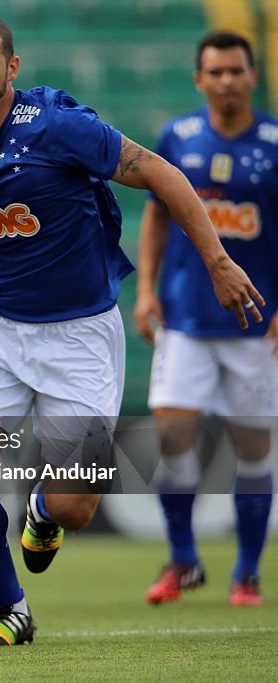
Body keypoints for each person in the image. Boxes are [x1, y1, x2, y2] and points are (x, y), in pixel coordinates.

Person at [0, 14, 264, 647]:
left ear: (12, 68)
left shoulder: (58, 128)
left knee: (72, 507)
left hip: (80, 335)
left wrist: (218, 261)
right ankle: (9, 607)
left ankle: (43, 510)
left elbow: (159, 173)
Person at [134, 31, 277, 608]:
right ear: (199, 79)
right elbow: (155, 219)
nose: (226, 81)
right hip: (187, 318)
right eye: (214, 72)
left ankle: (245, 573)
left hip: (254, 323)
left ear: (251, 76)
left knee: (252, 446)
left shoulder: (274, 142)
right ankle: (184, 560)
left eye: (235, 71)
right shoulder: (180, 137)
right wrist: (145, 290)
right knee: (170, 433)